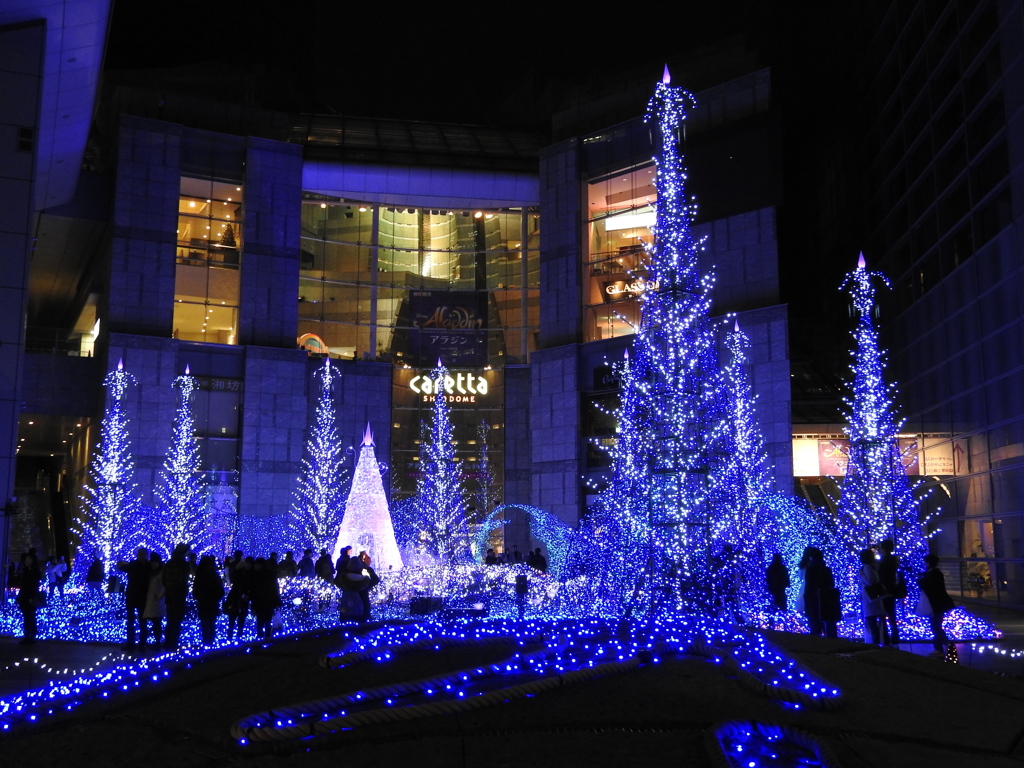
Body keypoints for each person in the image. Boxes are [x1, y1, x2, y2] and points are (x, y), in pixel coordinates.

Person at [918, 554, 955, 655]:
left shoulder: (933, 574)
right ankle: (945, 644)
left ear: (929, 563)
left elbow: (931, 589)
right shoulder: (933, 573)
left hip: (936, 604)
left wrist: (921, 582)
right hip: (938, 604)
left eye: (925, 562)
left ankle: (939, 648)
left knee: (935, 626)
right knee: (936, 625)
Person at [119, 547, 150, 649]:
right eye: (141, 554)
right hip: (133, 595)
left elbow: (121, 567)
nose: (142, 556)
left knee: (142, 621)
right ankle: (132, 643)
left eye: (143, 554)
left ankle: (141, 643)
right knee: (132, 620)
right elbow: (121, 567)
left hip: (140, 596)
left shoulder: (147, 566)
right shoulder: (135, 565)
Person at [162, 544, 191, 649]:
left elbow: (163, 579)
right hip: (178, 593)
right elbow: (183, 580)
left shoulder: (169, 563)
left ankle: (168, 641)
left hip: (169, 593)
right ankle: (173, 642)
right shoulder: (183, 564)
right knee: (177, 619)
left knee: (170, 619)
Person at [859, 548, 888, 646]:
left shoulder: (866, 567)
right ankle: (880, 641)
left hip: (869, 598)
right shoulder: (874, 567)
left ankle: (875, 643)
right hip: (874, 598)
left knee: (872, 621)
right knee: (876, 621)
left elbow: (869, 581)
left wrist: (861, 575)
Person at [192, 554, 224, 645]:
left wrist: (199, 597)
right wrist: (216, 598)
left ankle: (206, 641)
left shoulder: (199, 574)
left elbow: (195, 590)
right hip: (212, 602)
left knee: (205, 623)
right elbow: (220, 590)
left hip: (202, 602)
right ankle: (211, 641)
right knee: (211, 622)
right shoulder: (214, 574)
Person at [877, 539, 902, 646]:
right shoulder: (893, 560)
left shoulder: (884, 561)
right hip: (892, 590)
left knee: (884, 615)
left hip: (884, 590)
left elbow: (881, 575)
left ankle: (886, 640)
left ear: (884, 549)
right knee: (892, 615)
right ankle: (894, 639)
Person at [250, 557, 281, 639]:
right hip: (259, 602)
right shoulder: (254, 575)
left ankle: (267, 637)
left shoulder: (269, 575)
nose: (256, 567)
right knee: (260, 621)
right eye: (255, 565)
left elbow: (275, 588)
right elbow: (253, 591)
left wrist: (276, 601)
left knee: (267, 620)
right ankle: (262, 637)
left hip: (268, 601)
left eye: (258, 565)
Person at [17, 551, 42, 645]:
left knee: (29, 617)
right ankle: (29, 636)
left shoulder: (33, 570)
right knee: (28, 617)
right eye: (26, 559)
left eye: (28, 559)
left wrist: (31, 597)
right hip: (25, 596)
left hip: (29, 596)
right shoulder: (27, 569)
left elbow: (33, 585)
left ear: (32, 560)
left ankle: (30, 637)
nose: (26, 561)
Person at [141, 552, 166, 648]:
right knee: (152, 622)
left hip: (157, 601)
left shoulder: (161, 573)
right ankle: (152, 641)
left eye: (155, 563)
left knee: (157, 622)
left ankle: (157, 642)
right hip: (149, 600)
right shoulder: (150, 573)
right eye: (152, 563)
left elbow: (165, 586)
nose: (153, 565)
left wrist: (160, 596)